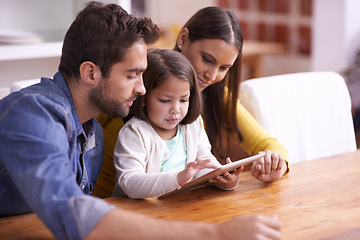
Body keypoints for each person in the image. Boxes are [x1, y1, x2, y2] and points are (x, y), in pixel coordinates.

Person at [0, 2, 282, 240]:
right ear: (90, 73)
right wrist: (214, 234)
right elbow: (72, 213)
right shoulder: (32, 114)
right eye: (132, 75)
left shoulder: (92, 132)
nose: (142, 89)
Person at [93, 6, 289, 199]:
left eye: (224, 68)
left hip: (172, 209)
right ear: (183, 38)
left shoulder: (212, 102)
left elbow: (268, 144)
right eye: (207, 59)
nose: (211, 76)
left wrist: (275, 163)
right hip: (110, 208)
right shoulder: (133, 88)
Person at [113, 49, 242, 199]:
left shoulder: (193, 124)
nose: (175, 110)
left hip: (179, 208)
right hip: (140, 215)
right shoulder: (134, 133)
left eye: (183, 100)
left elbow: (203, 163)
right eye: (165, 101)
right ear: (144, 98)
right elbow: (129, 182)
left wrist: (222, 177)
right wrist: (178, 178)